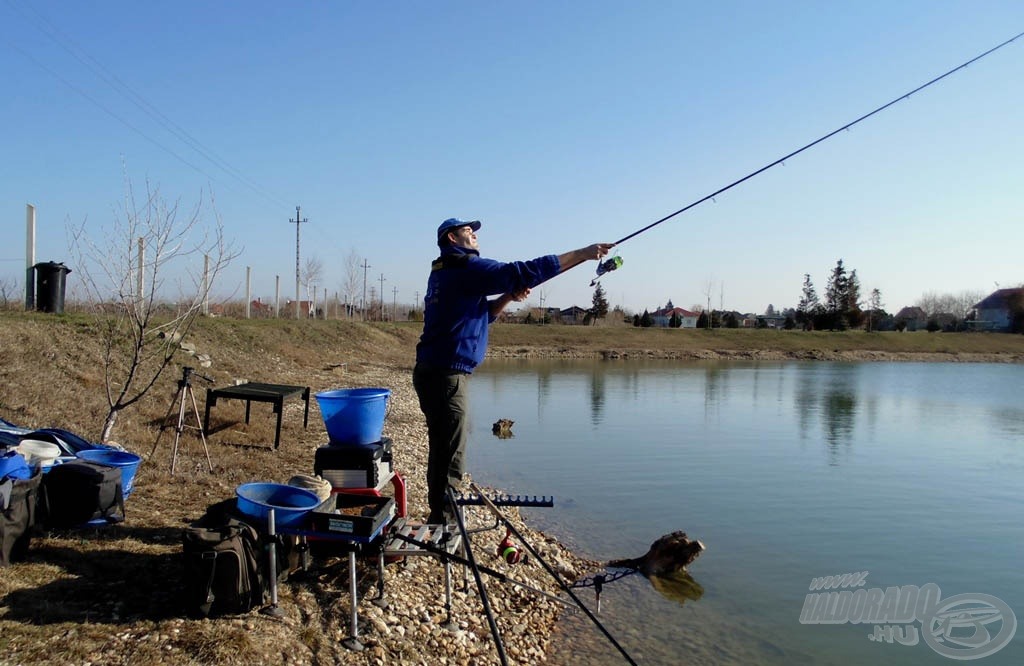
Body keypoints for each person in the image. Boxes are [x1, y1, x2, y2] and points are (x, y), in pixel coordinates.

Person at [413, 217, 612, 524]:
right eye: (468, 231)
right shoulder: (464, 268)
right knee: (450, 453)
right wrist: (582, 253)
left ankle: (441, 515)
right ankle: (447, 524)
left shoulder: (447, 272)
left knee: (444, 447)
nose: (475, 235)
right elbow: (520, 272)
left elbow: (483, 315)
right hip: (445, 376)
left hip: (437, 373)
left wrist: (507, 297)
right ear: (452, 238)